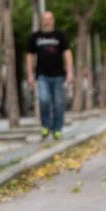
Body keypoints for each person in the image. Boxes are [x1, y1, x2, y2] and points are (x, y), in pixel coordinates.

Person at [26, 11, 74, 139]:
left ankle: (57, 129)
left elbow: (67, 53)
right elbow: (30, 56)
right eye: (45, 19)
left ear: (53, 21)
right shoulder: (35, 37)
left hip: (58, 75)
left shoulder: (60, 36)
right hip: (42, 75)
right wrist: (30, 74)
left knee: (58, 103)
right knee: (44, 100)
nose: (47, 21)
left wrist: (70, 72)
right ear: (42, 21)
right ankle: (46, 126)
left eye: (50, 19)